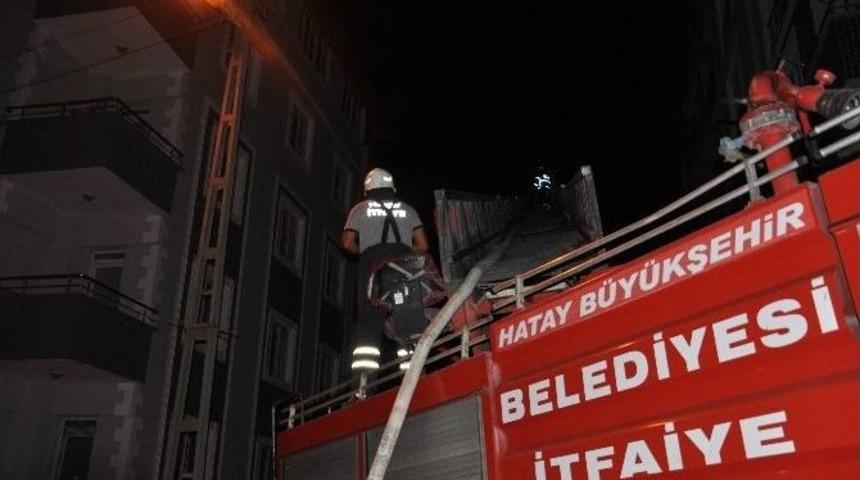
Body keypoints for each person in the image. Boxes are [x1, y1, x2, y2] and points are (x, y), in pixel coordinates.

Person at [341, 168, 429, 374]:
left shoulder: (360, 209)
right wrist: (405, 252)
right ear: (392, 187)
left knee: (369, 322)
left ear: (368, 188)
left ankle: (363, 385)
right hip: (405, 268)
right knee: (407, 321)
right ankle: (415, 377)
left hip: (373, 268)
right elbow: (423, 245)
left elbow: (347, 243)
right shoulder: (408, 210)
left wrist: (364, 252)